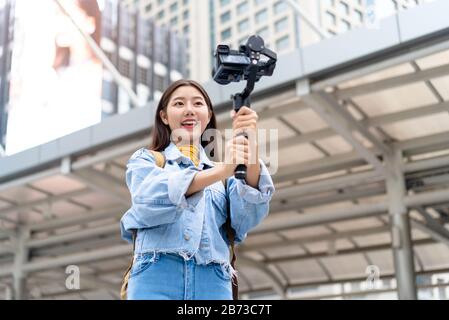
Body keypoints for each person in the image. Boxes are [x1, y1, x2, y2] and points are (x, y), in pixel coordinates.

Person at [120, 79, 275, 300]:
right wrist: (223, 170)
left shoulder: (225, 176)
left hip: (214, 282)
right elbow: (148, 201)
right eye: (179, 104)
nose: (190, 110)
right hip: (156, 276)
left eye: (198, 104)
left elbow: (247, 217)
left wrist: (249, 143)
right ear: (164, 116)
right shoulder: (146, 160)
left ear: (209, 114)